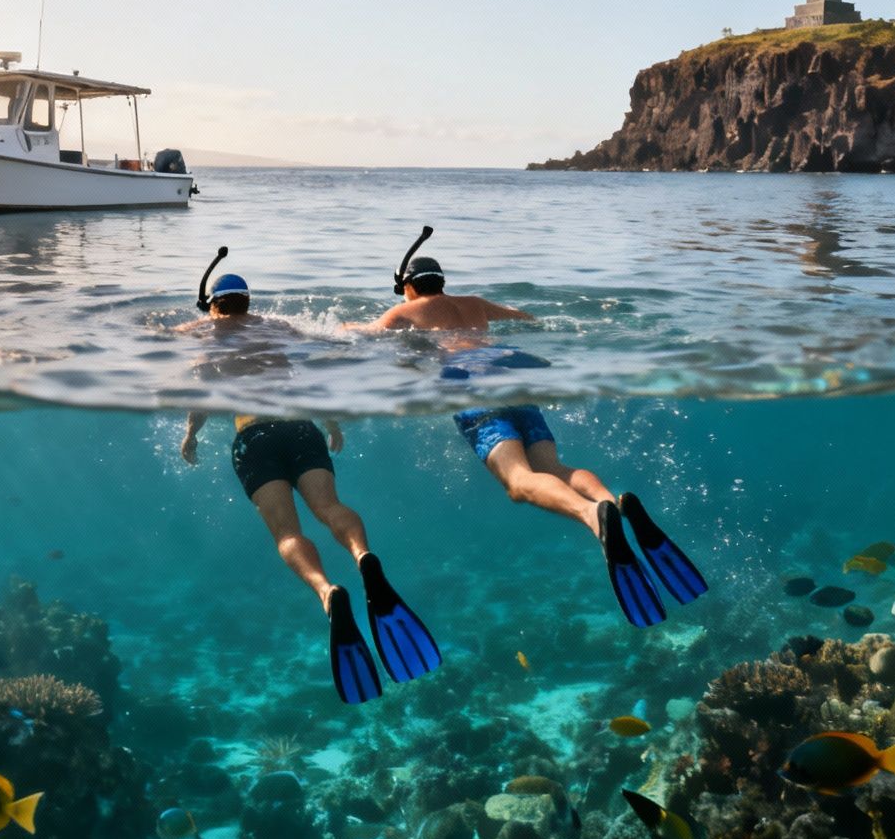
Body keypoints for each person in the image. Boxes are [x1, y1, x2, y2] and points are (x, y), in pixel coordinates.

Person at [353, 229, 708, 628]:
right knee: (553, 467)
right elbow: (530, 320)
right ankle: (613, 502)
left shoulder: (403, 313)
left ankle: (593, 516)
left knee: (520, 482)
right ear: (441, 282)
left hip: (471, 387)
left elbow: (358, 337)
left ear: (409, 288)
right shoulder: (475, 304)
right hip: (509, 376)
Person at [178, 250, 439, 704]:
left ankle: (326, 590)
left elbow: (199, 388)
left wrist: (190, 433)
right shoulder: (276, 328)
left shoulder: (204, 334)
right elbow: (312, 367)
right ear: (248, 300)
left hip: (254, 436)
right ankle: (362, 557)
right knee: (330, 507)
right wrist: (331, 421)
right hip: (301, 426)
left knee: (287, 532)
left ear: (214, 305)